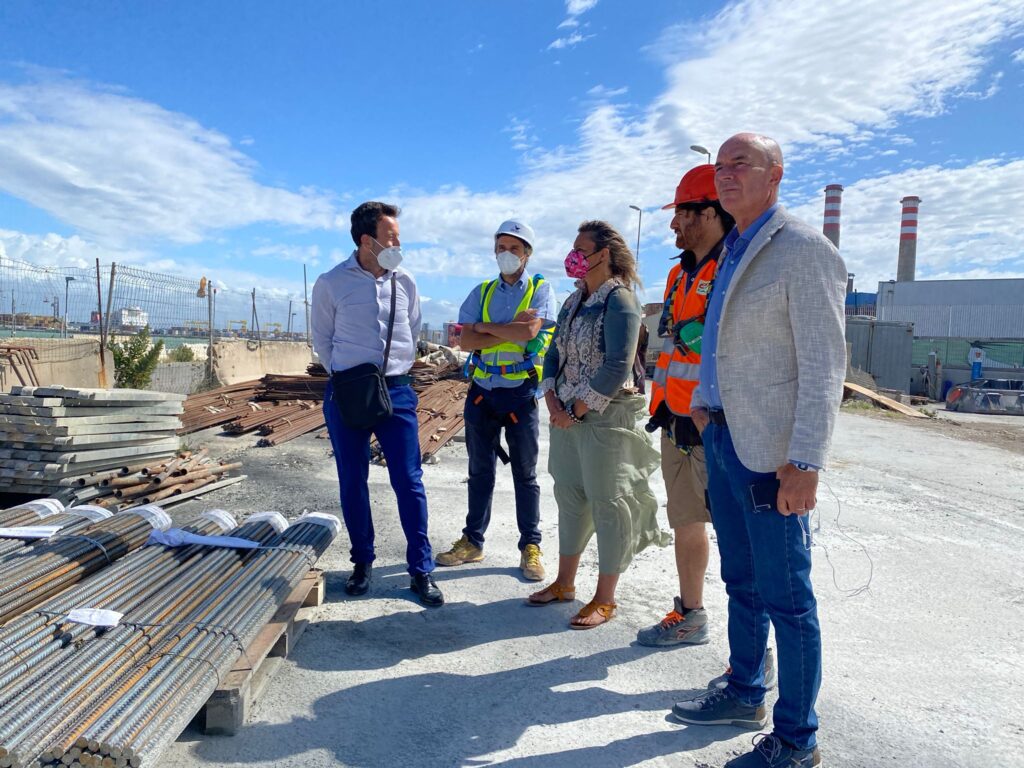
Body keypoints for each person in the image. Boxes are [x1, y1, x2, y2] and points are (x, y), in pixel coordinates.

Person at [670, 134, 846, 768]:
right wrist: (703, 400)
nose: (725, 174)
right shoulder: (734, 249)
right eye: (720, 166)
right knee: (740, 579)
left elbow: (824, 365)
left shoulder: (803, 249)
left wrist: (806, 461)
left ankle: (796, 740)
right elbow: (721, 342)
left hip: (773, 455)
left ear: (776, 175)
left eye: (739, 164)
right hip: (723, 438)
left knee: (787, 598)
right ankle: (745, 690)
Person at [527, 220, 669, 629]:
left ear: (603, 254)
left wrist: (575, 410)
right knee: (570, 497)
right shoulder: (574, 301)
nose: (573, 257)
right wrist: (552, 399)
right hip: (565, 417)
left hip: (604, 419)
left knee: (609, 504)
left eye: (580, 250)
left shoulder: (620, 300)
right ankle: (564, 583)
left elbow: (616, 365)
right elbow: (553, 353)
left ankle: (605, 598)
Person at [311, 201, 443, 608]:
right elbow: (322, 340)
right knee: (353, 480)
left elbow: (413, 329)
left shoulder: (406, 282)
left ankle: (421, 569)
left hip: (398, 392)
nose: (398, 245)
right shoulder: (331, 282)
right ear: (367, 240)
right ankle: (362, 563)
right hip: (349, 392)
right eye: (392, 237)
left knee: (409, 480)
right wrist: (349, 377)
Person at [636, 164, 731, 648]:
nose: (673, 223)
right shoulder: (679, 274)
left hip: (717, 425)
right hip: (676, 421)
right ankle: (691, 614)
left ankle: (753, 647)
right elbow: (675, 348)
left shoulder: (733, 268)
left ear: (710, 213)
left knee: (737, 535)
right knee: (686, 522)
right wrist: (664, 408)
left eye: (681, 213)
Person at [437, 220, 557, 581]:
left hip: (520, 392)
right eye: (501, 247)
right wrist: (508, 329)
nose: (507, 254)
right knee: (480, 471)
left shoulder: (540, 289)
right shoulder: (483, 291)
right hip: (483, 391)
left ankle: (530, 546)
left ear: (527, 254)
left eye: (514, 248)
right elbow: (465, 341)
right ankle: (472, 542)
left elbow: (530, 331)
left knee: (525, 474)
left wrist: (484, 327)